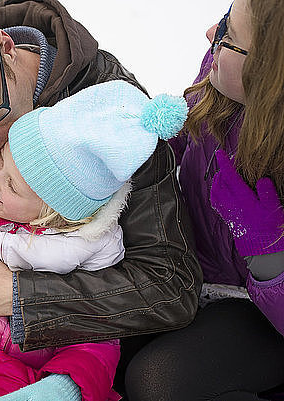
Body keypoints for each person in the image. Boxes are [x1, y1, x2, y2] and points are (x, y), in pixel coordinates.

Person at [0, 0, 201, 393]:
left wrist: (19, 295)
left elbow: (170, 285)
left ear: (6, 48)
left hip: (77, 347)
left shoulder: (110, 111)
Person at [123, 0, 284, 400]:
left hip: (261, 311)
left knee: (156, 383)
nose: (211, 32)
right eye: (226, 17)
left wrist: (269, 255)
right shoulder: (222, 73)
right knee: (105, 350)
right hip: (193, 268)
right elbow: (190, 133)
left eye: (230, 37)